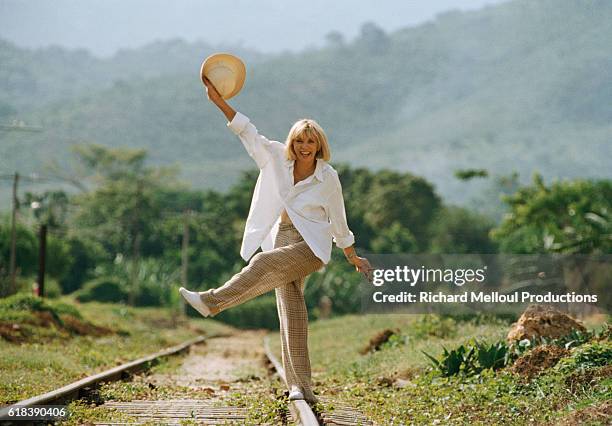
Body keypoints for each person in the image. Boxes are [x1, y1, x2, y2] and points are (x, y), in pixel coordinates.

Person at [180, 76, 373, 404]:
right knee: (291, 312)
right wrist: (218, 101)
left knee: (264, 262)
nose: (304, 147)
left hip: (311, 246)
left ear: (319, 145)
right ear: (292, 142)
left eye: (310, 142)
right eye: (299, 141)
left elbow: (339, 221)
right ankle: (301, 387)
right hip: (281, 236)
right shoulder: (275, 158)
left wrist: (352, 256)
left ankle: (212, 302)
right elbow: (247, 131)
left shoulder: (328, 178)